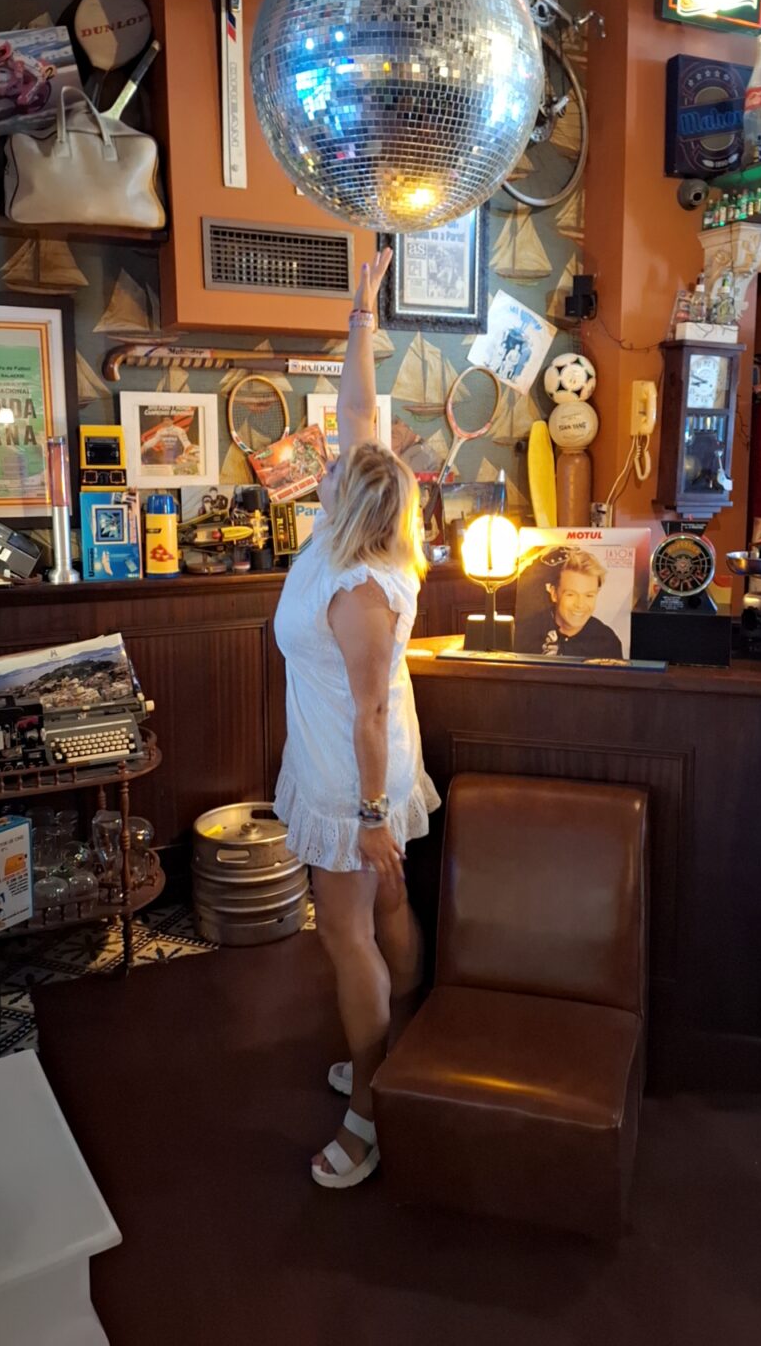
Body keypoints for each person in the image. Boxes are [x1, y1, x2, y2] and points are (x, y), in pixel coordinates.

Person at [273, 248, 440, 1191]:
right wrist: (361, 315)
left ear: (351, 501)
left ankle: (369, 1107)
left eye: (337, 467)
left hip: (355, 774)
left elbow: (371, 712)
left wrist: (372, 816)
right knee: (386, 904)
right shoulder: (343, 533)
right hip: (346, 759)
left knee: (348, 930)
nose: (329, 460)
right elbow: (359, 412)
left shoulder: (362, 591)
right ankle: (400, 1048)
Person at [540, 547, 623, 659]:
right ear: (554, 594)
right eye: (571, 594)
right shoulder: (528, 630)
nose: (580, 605)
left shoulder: (607, 642)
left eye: (589, 595)